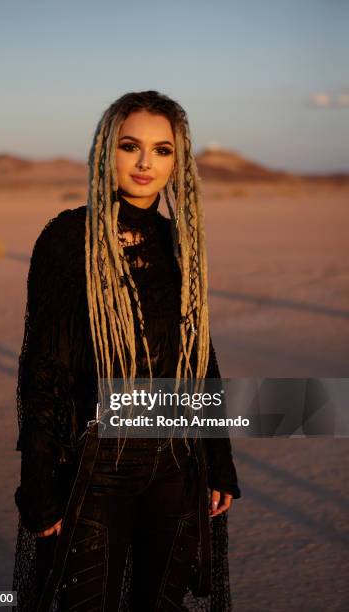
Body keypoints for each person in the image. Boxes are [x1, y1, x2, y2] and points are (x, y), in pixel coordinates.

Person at [12, 90, 241, 612]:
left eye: (163, 150)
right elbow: (43, 367)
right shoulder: (69, 239)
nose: (145, 163)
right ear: (104, 153)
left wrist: (219, 458)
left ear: (178, 162)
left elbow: (199, 357)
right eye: (130, 146)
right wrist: (38, 481)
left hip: (177, 463)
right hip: (95, 465)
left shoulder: (180, 241)